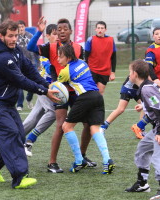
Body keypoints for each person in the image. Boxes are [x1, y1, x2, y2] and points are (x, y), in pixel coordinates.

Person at [0, 19, 59, 189]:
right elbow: (20, 80)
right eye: (10, 36)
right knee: (11, 135)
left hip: (6, 103)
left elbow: (29, 69)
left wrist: (46, 84)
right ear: (1, 36)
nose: (14, 39)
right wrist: (44, 92)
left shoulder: (15, 51)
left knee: (19, 135)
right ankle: (20, 177)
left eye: (15, 35)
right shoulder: (1, 58)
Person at [27, 16, 96, 173]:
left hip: (76, 91)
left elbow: (83, 68)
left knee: (87, 123)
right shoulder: (51, 47)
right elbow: (31, 47)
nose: (62, 31)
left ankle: (82, 156)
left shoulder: (79, 48)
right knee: (60, 125)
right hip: (60, 92)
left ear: (70, 31)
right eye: (59, 29)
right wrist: (39, 31)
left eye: (65, 29)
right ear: (56, 32)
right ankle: (52, 163)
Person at [57, 44, 115, 174]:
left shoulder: (64, 72)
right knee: (94, 129)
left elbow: (57, 88)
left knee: (66, 127)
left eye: (60, 57)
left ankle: (79, 160)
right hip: (97, 96)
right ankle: (107, 160)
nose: (57, 59)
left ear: (67, 57)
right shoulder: (83, 63)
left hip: (85, 97)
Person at [124, 59, 160, 200]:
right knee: (143, 149)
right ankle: (142, 183)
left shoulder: (147, 89)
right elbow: (159, 100)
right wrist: (144, 106)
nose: (129, 74)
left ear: (135, 74)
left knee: (159, 156)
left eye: (130, 72)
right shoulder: (148, 86)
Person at [23, 24, 57, 157]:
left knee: (34, 117)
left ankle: (13, 137)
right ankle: (29, 141)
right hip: (45, 87)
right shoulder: (47, 49)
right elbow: (49, 68)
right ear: (47, 36)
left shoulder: (60, 47)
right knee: (53, 112)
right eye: (53, 34)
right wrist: (39, 32)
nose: (57, 36)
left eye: (58, 33)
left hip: (48, 87)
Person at [131, 27, 160, 138]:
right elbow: (149, 66)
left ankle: (140, 125)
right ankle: (140, 125)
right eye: (157, 34)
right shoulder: (151, 50)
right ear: (153, 36)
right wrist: (156, 79)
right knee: (159, 106)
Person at [85, 21, 116, 95]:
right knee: (91, 92)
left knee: (100, 92)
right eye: (98, 28)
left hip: (105, 71)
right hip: (92, 70)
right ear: (95, 29)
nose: (100, 30)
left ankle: (98, 107)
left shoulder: (110, 40)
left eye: (102, 28)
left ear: (105, 30)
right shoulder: (90, 40)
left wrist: (113, 72)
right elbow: (86, 57)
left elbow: (113, 57)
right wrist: (86, 70)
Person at [16, 20, 40, 111]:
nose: (20, 29)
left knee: (32, 84)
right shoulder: (15, 38)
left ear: (24, 27)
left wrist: (38, 63)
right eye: (19, 27)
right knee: (19, 84)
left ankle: (29, 99)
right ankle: (20, 104)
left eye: (22, 27)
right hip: (18, 65)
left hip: (31, 64)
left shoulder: (30, 36)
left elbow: (35, 50)